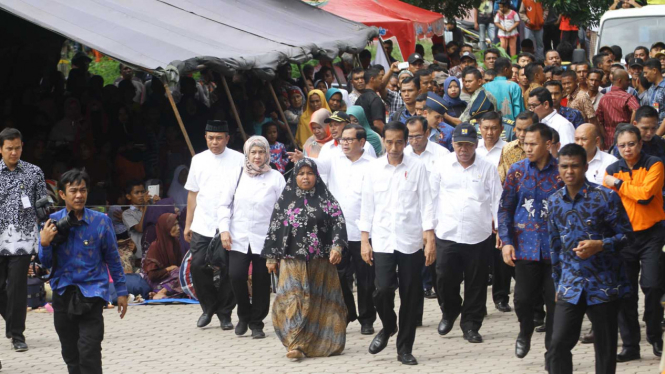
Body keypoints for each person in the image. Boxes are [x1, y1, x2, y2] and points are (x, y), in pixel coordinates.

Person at [546, 143, 632, 374]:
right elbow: (554, 246)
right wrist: (557, 283)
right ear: (558, 167)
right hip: (570, 284)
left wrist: (601, 245)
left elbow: (627, 237)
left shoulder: (605, 197)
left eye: (575, 166)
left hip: (603, 284)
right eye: (564, 166)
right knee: (557, 344)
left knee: (605, 350)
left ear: (585, 167)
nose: (569, 171)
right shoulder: (554, 202)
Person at [360, 121, 435, 366]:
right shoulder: (373, 169)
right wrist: (364, 239)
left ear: (406, 142)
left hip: (411, 240)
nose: (394, 147)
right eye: (389, 141)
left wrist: (430, 236)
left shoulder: (417, 167)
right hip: (381, 240)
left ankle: (405, 348)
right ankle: (389, 325)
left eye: (399, 142)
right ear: (382, 140)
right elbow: (367, 205)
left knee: (411, 296)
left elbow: (427, 202)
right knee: (381, 290)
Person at [39, 169, 128, 374]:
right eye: (73, 191)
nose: (79, 195)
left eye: (83, 190)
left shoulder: (101, 221)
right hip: (63, 293)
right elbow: (45, 263)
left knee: (89, 351)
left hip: (93, 294)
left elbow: (113, 259)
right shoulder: (51, 222)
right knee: (71, 355)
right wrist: (44, 243)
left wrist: (121, 292)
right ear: (62, 194)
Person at [295, 124, 377, 334]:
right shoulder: (334, 159)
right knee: (339, 277)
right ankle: (349, 311)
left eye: (349, 140)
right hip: (337, 232)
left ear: (362, 142)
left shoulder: (373, 165)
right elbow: (317, 165)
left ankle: (367, 319)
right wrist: (302, 159)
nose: (345, 143)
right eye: (343, 140)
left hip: (363, 231)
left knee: (366, 279)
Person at [261, 159, 347, 360]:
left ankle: (323, 343)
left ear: (316, 176)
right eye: (301, 174)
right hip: (292, 261)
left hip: (321, 262)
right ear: (295, 176)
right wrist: (271, 257)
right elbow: (275, 228)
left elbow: (338, 223)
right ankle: (295, 344)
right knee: (293, 300)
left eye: (310, 173)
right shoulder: (285, 201)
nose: (306, 177)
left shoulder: (326, 200)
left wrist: (337, 247)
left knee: (320, 301)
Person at [431, 123, 502, 344]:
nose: (463, 149)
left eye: (468, 145)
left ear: (476, 144)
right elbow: (430, 199)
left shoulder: (487, 167)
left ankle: (471, 324)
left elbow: (498, 199)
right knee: (444, 279)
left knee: (477, 283)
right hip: (447, 232)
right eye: (459, 144)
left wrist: (500, 229)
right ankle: (450, 310)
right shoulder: (441, 165)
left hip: (478, 234)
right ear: (452, 144)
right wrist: (428, 231)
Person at [498, 123, 563, 362]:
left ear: (548, 144)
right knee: (523, 300)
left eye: (533, 143)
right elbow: (505, 208)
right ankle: (524, 331)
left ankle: (552, 354)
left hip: (556, 251)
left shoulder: (561, 172)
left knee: (555, 304)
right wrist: (506, 241)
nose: (527, 148)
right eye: (525, 143)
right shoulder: (517, 171)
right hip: (525, 247)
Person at [604, 126, 665, 362]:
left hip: (652, 234)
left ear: (640, 143)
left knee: (652, 286)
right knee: (625, 292)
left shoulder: (654, 163)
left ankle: (654, 334)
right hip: (624, 237)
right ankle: (630, 345)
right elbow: (610, 205)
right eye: (622, 145)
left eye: (631, 143)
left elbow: (646, 195)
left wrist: (618, 185)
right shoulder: (612, 169)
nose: (627, 149)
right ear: (617, 148)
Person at [184, 120, 243, 330]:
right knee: (198, 264)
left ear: (227, 138)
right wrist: (188, 223)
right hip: (203, 222)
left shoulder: (239, 159)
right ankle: (208, 308)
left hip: (229, 225)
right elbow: (193, 193)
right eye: (211, 138)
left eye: (219, 138)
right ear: (205, 138)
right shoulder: (198, 160)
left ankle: (225, 313)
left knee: (229, 269)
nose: (214, 142)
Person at [224, 136, 285, 339]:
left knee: (261, 281)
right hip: (238, 236)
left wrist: (278, 240)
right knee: (236, 275)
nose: (257, 157)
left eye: (261, 152)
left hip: (265, 238)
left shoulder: (276, 177)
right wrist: (224, 230)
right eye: (253, 152)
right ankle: (243, 314)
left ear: (267, 153)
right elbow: (224, 204)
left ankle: (257, 323)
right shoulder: (237, 173)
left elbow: (282, 211)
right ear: (247, 154)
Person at [0, 128, 47, 351]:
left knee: (17, 287)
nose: (14, 152)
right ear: (1, 149)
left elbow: (43, 204)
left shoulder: (34, 172)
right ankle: (12, 323)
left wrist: (43, 211)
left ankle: (17, 335)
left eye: (17, 147)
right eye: (9, 148)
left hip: (23, 239)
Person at [404, 116, 450, 317]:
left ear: (427, 133)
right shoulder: (403, 155)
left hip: (438, 217)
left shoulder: (442, 154)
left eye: (417, 136)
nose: (413, 140)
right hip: (412, 218)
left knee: (438, 269)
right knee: (413, 270)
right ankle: (415, 315)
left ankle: (446, 309)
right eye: (410, 136)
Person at [475, 112, 512, 313]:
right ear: (480, 127)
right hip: (478, 211)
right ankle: (477, 302)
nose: (490, 132)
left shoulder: (507, 150)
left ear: (501, 129)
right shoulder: (473, 148)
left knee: (500, 258)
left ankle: (501, 296)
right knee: (479, 260)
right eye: (486, 127)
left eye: (494, 128)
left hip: (501, 209)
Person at [142, 213, 184, 299]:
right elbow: (152, 276)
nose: (178, 228)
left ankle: (159, 294)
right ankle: (162, 292)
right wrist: (169, 269)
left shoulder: (175, 243)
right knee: (179, 273)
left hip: (173, 279)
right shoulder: (155, 247)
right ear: (166, 227)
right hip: (157, 281)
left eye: (177, 224)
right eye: (174, 225)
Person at [596, 69, 640, 149]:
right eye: (627, 80)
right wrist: (630, 127)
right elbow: (636, 110)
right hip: (625, 140)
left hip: (608, 141)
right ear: (620, 80)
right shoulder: (628, 97)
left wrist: (605, 135)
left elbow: (599, 119)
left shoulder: (604, 98)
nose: (629, 82)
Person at [498, 111, 538, 182]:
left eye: (526, 130)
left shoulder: (542, 149)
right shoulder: (507, 149)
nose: (522, 134)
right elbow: (501, 179)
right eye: (519, 129)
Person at [355, 68, 386, 134]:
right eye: (380, 79)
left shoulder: (359, 99)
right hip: (375, 138)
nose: (382, 82)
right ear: (372, 79)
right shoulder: (374, 99)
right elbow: (378, 124)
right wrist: (388, 136)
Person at [642, 59, 665, 136]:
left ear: (654, 70)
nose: (644, 76)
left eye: (646, 72)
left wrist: (657, 136)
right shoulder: (651, 89)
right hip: (651, 134)